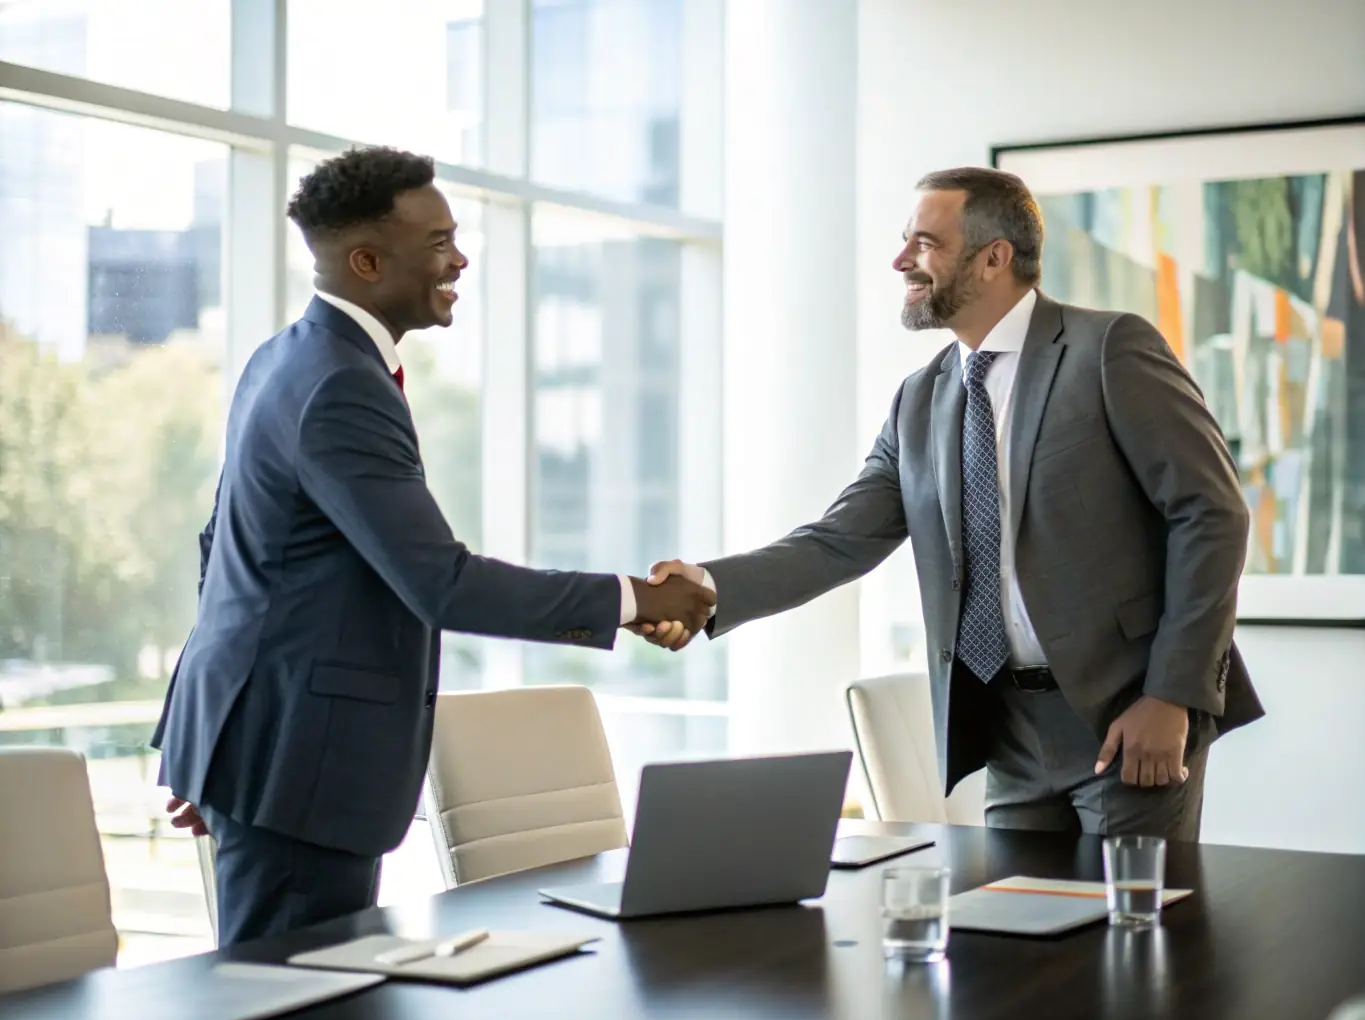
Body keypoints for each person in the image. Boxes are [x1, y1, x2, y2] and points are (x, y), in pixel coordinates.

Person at [151, 146, 713, 946]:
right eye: (440, 243)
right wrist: (636, 600)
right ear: (368, 260)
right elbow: (440, 584)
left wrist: (215, 740)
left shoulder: (286, 359)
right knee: (301, 997)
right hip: (300, 762)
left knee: (301, 984)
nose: (461, 258)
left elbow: (230, 551)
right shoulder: (339, 383)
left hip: (268, 748)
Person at [642, 167, 1264, 841]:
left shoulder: (1107, 349)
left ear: (994, 257)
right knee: (1011, 940)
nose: (900, 260)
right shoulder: (920, 398)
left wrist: (1169, 696)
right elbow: (838, 539)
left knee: (1130, 936)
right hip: (1003, 731)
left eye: (924, 243)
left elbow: (1209, 514)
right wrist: (708, 587)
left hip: (1124, 715)